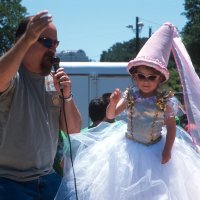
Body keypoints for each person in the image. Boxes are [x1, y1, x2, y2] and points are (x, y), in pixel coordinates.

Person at [55, 23, 200, 200]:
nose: (146, 81)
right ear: (134, 76)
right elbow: (110, 115)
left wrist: (167, 150)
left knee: (157, 192)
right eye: (141, 76)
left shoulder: (165, 101)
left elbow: (171, 128)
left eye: (151, 77)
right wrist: (113, 103)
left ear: (160, 78)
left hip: (156, 148)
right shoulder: (131, 95)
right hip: (128, 148)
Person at [0, 11, 81, 200]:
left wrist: (67, 96)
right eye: (46, 41)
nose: (53, 48)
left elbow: (74, 129)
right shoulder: (13, 75)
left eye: (56, 43)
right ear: (25, 41)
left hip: (48, 178)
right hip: (8, 182)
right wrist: (27, 38)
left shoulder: (53, 81)